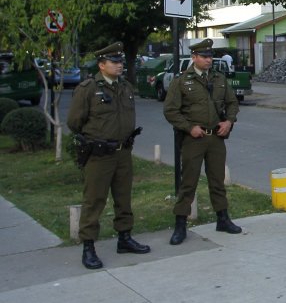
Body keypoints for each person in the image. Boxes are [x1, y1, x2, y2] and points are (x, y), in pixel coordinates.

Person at [67, 42, 150, 269]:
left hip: (123, 152)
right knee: (94, 200)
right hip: (100, 154)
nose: (120, 65)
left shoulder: (125, 87)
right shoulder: (88, 88)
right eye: (114, 62)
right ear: (102, 65)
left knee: (123, 198)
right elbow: (74, 122)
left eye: (121, 61)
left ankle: (124, 238)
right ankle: (89, 247)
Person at [164, 38, 241, 245]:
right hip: (193, 139)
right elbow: (170, 111)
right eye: (204, 57)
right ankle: (181, 224)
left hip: (216, 137)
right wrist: (189, 127)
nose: (209, 60)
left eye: (211, 56)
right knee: (188, 183)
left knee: (217, 181)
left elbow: (233, 103)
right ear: (194, 58)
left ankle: (222, 218)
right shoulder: (181, 81)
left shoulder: (219, 78)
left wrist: (229, 121)